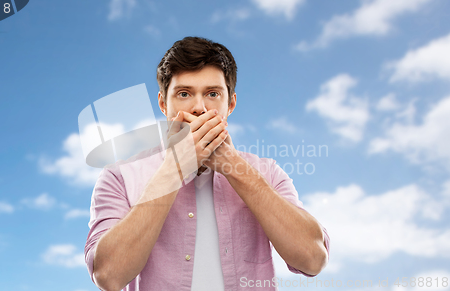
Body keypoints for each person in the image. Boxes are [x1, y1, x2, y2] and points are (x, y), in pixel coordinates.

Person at [84, 36, 330, 291]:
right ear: (163, 104)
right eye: (184, 93)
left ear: (231, 103)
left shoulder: (268, 172)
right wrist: (175, 169)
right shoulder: (119, 177)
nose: (199, 107)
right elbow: (108, 275)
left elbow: (313, 259)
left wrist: (233, 165)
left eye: (213, 94)